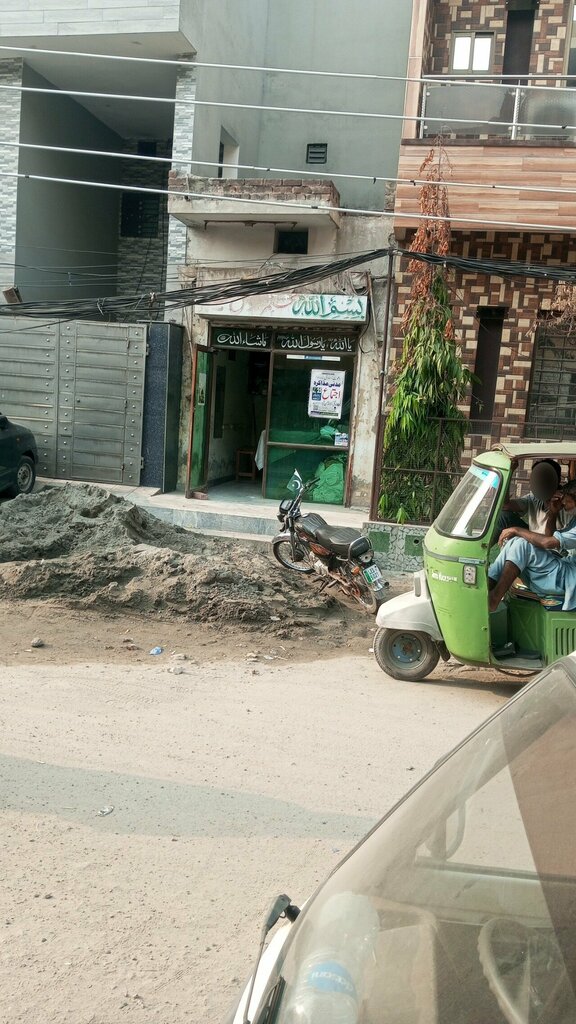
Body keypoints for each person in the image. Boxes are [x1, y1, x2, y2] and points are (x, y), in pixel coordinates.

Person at [488, 479, 576, 613]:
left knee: (522, 544)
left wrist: (517, 530)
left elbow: (547, 542)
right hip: (564, 568)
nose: (563, 502)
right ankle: (487, 586)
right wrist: (553, 512)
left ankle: (494, 599)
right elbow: (548, 536)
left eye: (567, 500)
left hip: (569, 578)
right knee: (514, 542)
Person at [497, 458, 566, 534]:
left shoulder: (565, 503)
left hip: (551, 540)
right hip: (532, 536)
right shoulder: (533, 498)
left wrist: (553, 512)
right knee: (503, 516)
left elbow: (551, 540)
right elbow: (506, 505)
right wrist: (510, 472)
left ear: (557, 480)